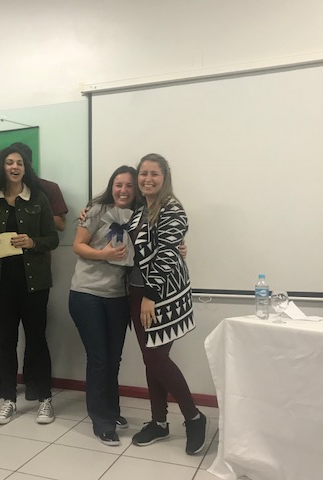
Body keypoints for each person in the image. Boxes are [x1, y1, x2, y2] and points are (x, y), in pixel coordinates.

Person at [128, 153, 207, 455]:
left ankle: (194, 417)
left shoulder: (172, 208)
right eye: (143, 173)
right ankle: (159, 422)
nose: (147, 179)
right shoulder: (140, 209)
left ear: (165, 177)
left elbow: (167, 253)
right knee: (152, 359)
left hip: (161, 295)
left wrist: (150, 295)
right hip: (138, 292)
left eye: (154, 174)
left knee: (156, 358)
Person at [0, 141, 68, 402]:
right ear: (1, 168)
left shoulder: (38, 198)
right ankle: (5, 391)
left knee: (36, 338)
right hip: (2, 281)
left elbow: (53, 238)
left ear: (25, 168)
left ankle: (39, 389)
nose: (15, 167)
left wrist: (32, 242)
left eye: (19, 163)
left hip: (34, 281)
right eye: (9, 163)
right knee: (4, 339)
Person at [69, 166, 138, 446]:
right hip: (87, 294)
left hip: (118, 296)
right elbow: (78, 245)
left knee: (113, 358)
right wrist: (104, 254)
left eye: (129, 185)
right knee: (99, 359)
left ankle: (112, 410)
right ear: (111, 186)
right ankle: (102, 421)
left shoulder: (139, 215)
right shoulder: (97, 210)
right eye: (118, 184)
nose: (123, 190)